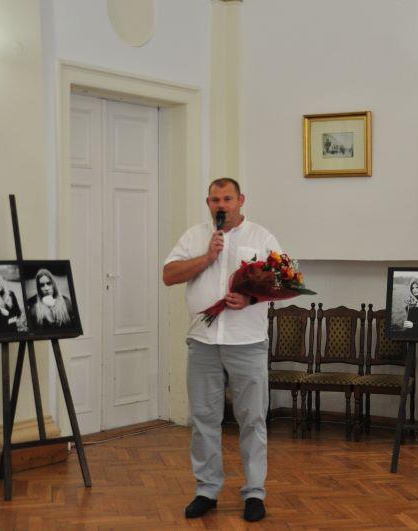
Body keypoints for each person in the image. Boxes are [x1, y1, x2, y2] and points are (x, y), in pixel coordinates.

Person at [162, 177, 280, 522]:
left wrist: (251, 298)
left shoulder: (262, 237)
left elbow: (284, 281)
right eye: (215, 200)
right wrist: (206, 257)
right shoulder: (195, 237)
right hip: (203, 343)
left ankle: (254, 493)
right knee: (204, 420)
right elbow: (169, 275)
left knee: (252, 419)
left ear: (241, 200)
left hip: (248, 343)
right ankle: (207, 490)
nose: (221, 205)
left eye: (227, 199)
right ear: (208, 203)